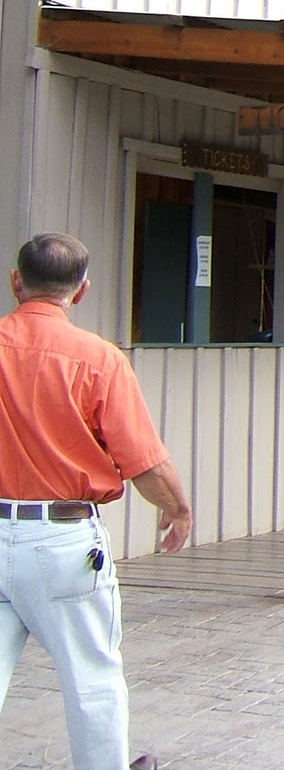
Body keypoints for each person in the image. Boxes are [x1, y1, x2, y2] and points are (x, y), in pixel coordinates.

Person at [1, 233, 192, 770]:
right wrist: (177, 508)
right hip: (62, 540)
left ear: (17, 281)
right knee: (92, 677)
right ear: (80, 291)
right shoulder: (97, 359)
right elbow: (143, 461)